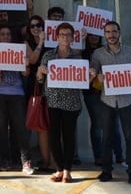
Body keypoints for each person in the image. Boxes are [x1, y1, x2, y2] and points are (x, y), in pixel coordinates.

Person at [90, 20, 131, 185]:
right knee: (107, 137)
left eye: (114, 31)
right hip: (107, 100)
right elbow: (93, 80)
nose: (111, 35)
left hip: (128, 100)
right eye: (108, 32)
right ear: (104, 35)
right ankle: (106, 170)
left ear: (120, 33)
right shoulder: (98, 54)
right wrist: (96, 77)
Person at [0, 17, 32, 174]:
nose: (5, 37)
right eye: (2, 34)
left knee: (20, 128)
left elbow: (25, 74)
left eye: (8, 34)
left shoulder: (18, 51)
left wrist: (25, 64)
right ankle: (5, 160)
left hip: (16, 93)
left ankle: (26, 162)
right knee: (1, 129)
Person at [36, 22, 82, 184]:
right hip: (52, 102)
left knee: (69, 137)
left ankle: (68, 170)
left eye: (68, 34)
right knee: (53, 136)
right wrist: (40, 72)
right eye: (62, 34)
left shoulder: (78, 58)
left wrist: (88, 75)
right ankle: (59, 169)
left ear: (73, 37)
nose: (65, 37)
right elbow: (40, 79)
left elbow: (83, 81)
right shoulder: (48, 55)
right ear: (56, 37)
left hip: (72, 103)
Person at [82, 32, 122, 166]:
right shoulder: (82, 52)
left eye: (96, 35)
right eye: (91, 35)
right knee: (97, 124)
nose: (93, 37)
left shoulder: (107, 50)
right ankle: (99, 156)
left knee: (114, 124)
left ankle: (119, 154)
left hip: (109, 91)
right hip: (91, 93)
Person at [23, 14, 52, 172]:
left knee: (52, 124)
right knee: (40, 124)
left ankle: (53, 159)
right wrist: (41, 42)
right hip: (36, 86)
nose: (36, 28)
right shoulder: (27, 42)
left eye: (39, 25)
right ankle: (44, 159)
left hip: (54, 86)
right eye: (32, 26)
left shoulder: (53, 42)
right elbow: (33, 60)